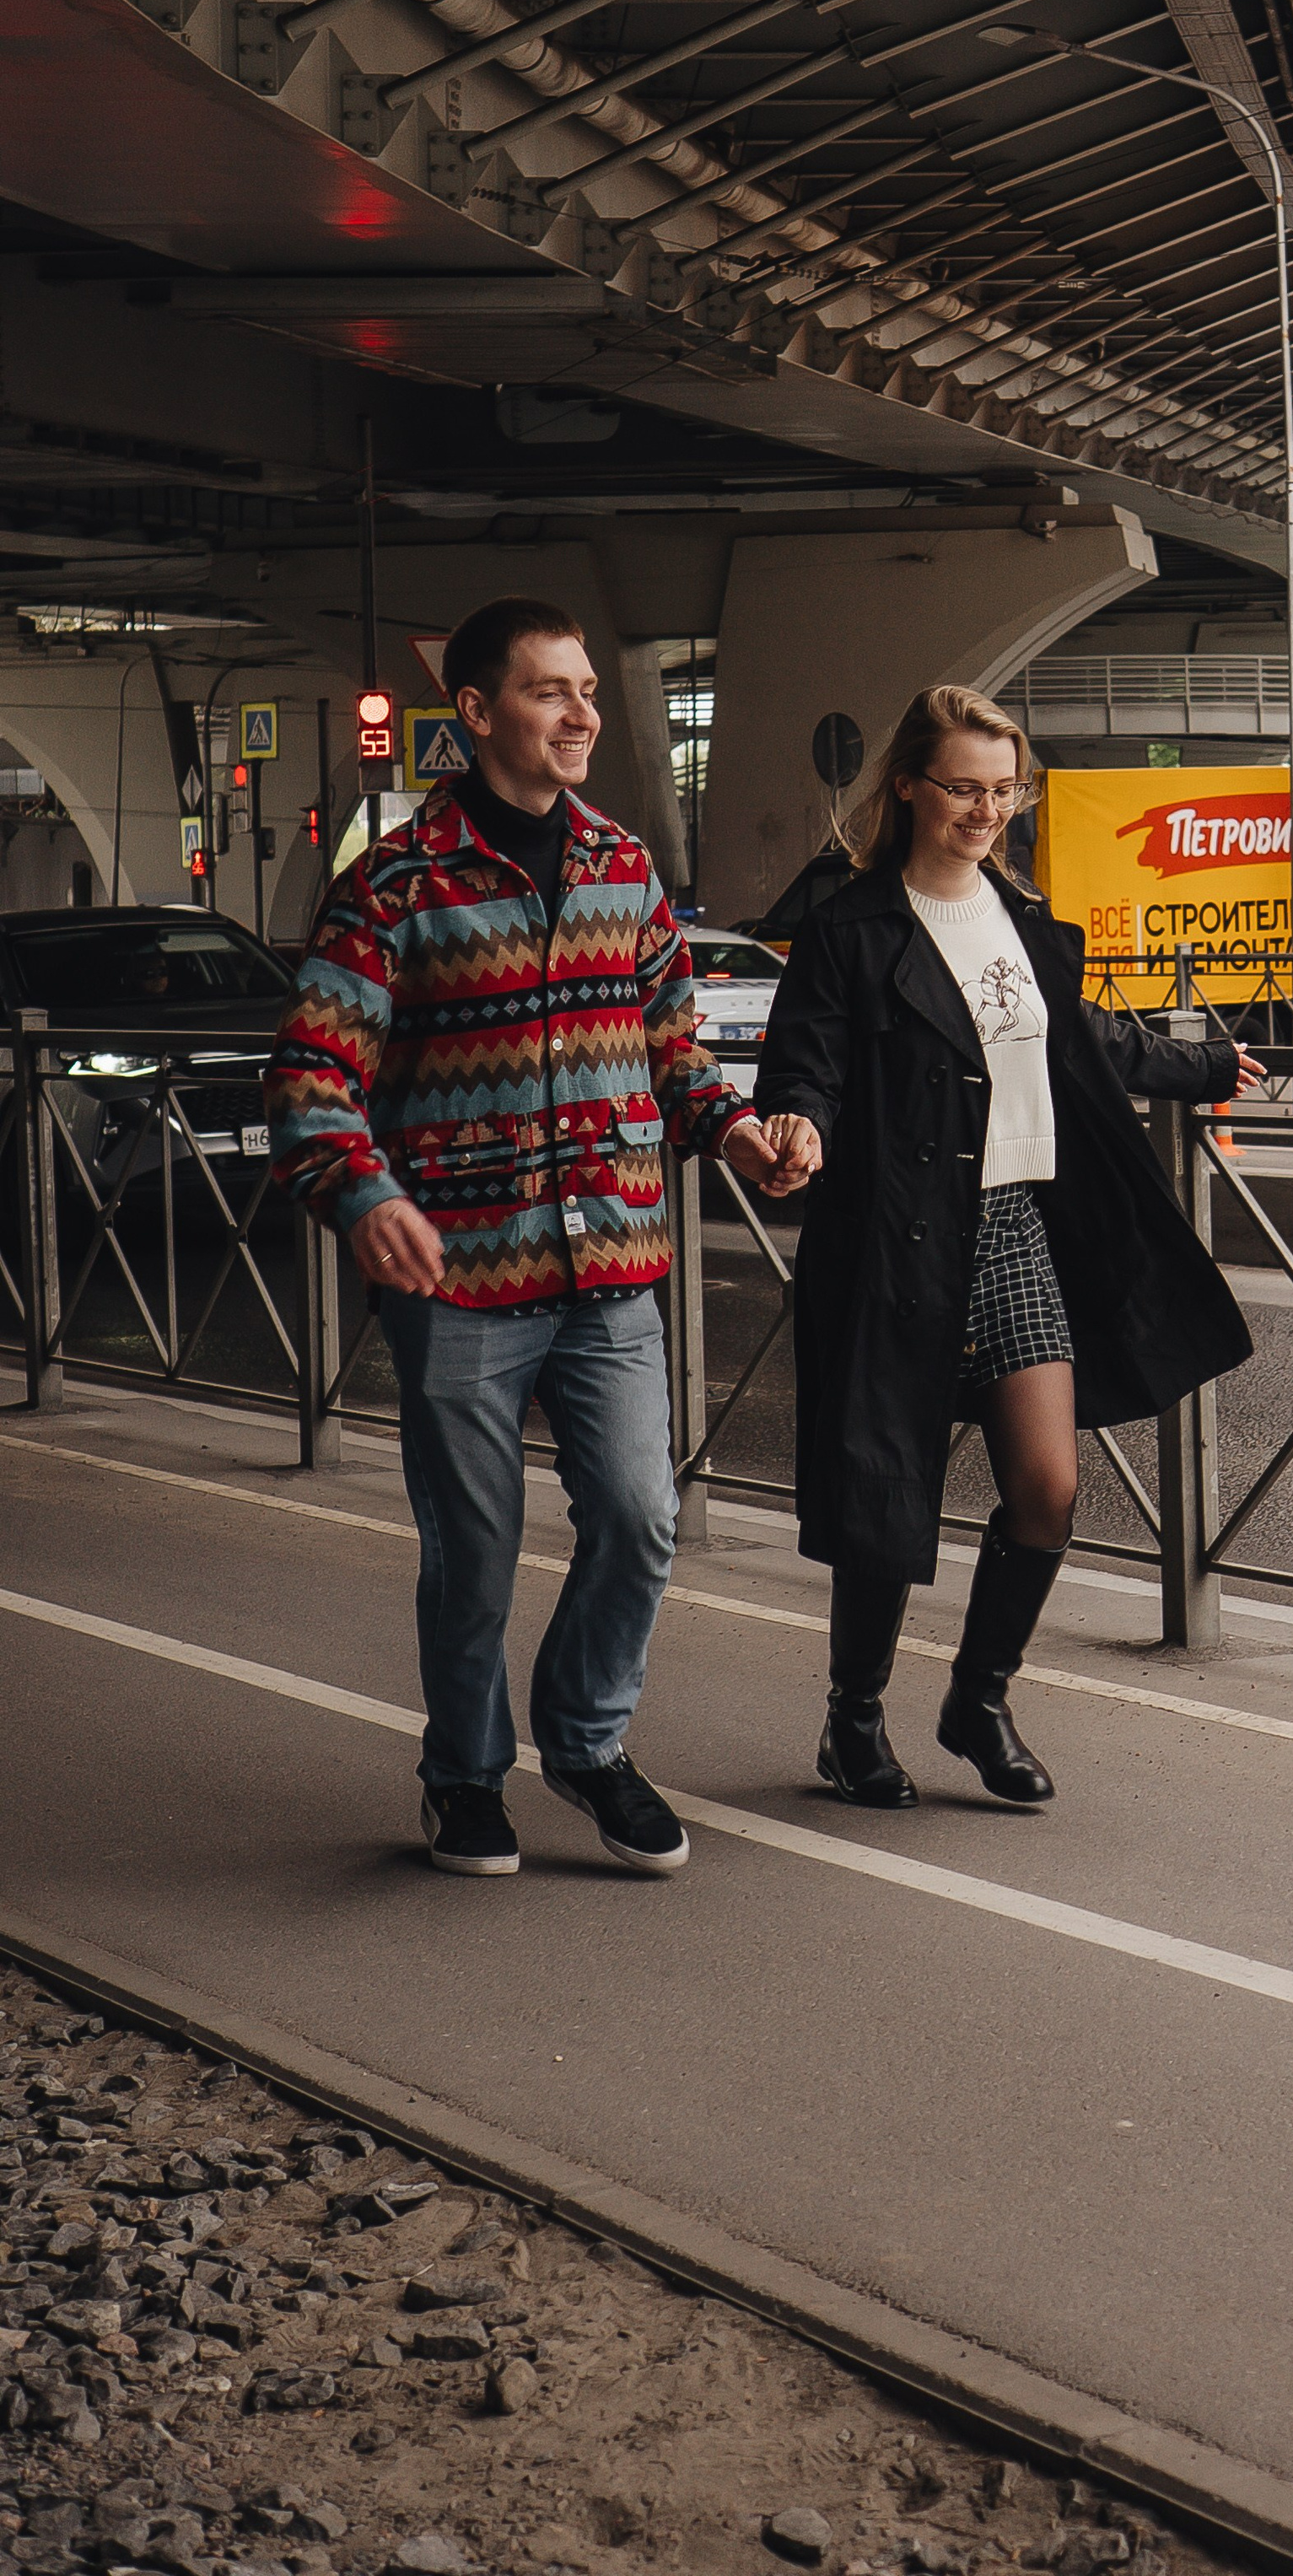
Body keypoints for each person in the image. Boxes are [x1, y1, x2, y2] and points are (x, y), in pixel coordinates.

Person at [267, 597, 786, 1879]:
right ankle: (463, 1778)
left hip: (611, 1264)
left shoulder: (621, 865)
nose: (581, 716)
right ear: (480, 713)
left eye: (590, 693)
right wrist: (363, 1192)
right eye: (551, 693)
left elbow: (675, 1042)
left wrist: (736, 1133)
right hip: (460, 1274)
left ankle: (590, 1746)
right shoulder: (397, 882)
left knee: (639, 1513)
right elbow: (312, 1070)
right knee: (476, 1549)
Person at [744, 683, 1265, 1808]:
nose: (988, 810)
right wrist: (796, 1121)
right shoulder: (853, 925)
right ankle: (856, 1717)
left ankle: (978, 1699)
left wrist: (1205, 1064)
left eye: (1003, 789)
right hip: (896, 1240)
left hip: (1016, 1228)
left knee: (1049, 1484)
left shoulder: (1019, 912)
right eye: (965, 789)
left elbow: (1079, 1040)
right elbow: (807, 1063)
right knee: (891, 1497)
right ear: (910, 790)